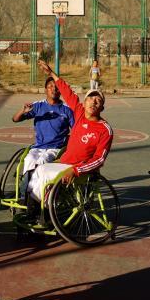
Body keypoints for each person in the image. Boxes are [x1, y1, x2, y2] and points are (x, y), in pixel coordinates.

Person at [27, 60, 112, 213]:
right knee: (39, 171)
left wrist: (76, 170)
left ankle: (47, 210)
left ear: (102, 107)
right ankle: (42, 207)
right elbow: (67, 92)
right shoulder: (79, 113)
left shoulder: (104, 129)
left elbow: (99, 159)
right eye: (90, 99)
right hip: (64, 162)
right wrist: (51, 73)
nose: (93, 102)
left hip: (78, 169)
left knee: (46, 178)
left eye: (98, 100)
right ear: (84, 102)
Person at [12, 76, 74, 182]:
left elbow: (77, 129)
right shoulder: (37, 106)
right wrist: (22, 111)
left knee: (42, 161)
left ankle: (34, 194)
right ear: (45, 90)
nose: (54, 89)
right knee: (29, 159)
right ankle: (25, 193)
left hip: (56, 148)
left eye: (57, 87)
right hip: (38, 146)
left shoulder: (67, 109)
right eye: (50, 86)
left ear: (61, 91)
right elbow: (15, 119)